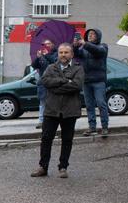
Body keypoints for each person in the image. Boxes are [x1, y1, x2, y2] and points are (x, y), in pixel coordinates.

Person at [31, 43, 84, 178]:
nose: (63, 55)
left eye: (66, 52)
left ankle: (63, 167)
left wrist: (56, 86)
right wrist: (65, 81)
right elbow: (45, 82)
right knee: (46, 138)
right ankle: (43, 167)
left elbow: (77, 85)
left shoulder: (78, 69)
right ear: (58, 54)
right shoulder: (51, 67)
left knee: (67, 140)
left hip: (69, 110)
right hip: (52, 109)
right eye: (61, 52)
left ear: (71, 54)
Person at [76, 28, 109, 136]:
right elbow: (76, 54)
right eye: (89, 34)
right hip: (86, 81)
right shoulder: (84, 48)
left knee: (101, 104)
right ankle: (92, 127)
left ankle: (104, 127)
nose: (90, 35)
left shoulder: (103, 46)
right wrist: (75, 46)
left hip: (99, 80)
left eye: (93, 34)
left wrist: (84, 44)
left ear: (98, 36)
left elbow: (98, 51)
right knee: (89, 106)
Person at [31, 39, 58, 129]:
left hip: (53, 82)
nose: (46, 46)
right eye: (44, 44)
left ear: (53, 44)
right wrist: (38, 57)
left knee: (53, 102)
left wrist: (46, 56)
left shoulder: (56, 54)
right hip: (43, 83)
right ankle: (41, 121)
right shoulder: (42, 55)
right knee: (42, 103)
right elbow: (34, 66)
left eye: (48, 44)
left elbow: (56, 63)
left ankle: (53, 121)